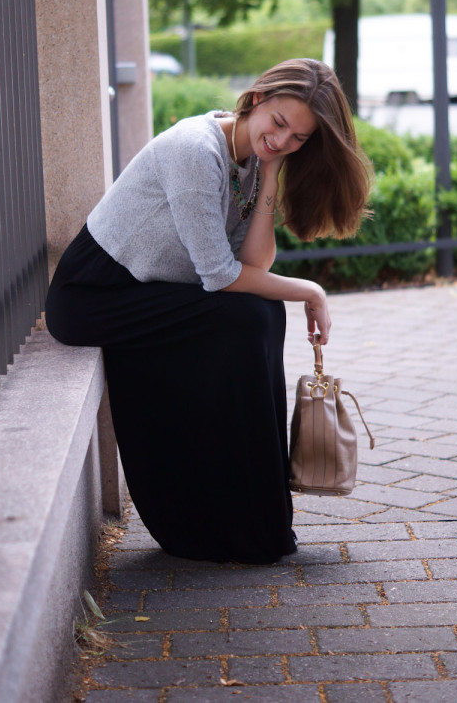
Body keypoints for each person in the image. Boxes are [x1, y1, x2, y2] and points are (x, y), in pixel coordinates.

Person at [45, 58, 372, 564]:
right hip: (94, 295)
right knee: (246, 316)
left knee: (262, 315)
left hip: (149, 291)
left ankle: (255, 512)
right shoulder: (196, 150)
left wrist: (269, 175)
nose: (282, 141)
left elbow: (252, 263)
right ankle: (206, 516)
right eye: (279, 123)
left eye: (298, 139)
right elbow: (220, 277)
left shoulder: (249, 161)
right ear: (258, 98)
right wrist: (310, 289)